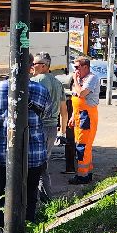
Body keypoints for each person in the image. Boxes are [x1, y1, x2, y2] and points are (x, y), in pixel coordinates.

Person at [0, 70, 50, 228]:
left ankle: (6, 230)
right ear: (30, 68)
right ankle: (28, 228)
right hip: (34, 155)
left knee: (3, 193)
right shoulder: (40, 90)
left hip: (5, 155)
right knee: (30, 192)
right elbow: (46, 115)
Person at [30, 53, 66, 192]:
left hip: (39, 127)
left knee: (35, 165)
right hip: (52, 128)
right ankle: (45, 197)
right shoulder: (58, 83)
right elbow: (64, 110)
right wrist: (62, 131)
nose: (32, 66)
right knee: (44, 163)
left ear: (44, 66)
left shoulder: (37, 81)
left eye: (35, 64)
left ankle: (43, 198)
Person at [68, 56, 102, 184]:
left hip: (87, 116)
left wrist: (76, 80)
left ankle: (82, 176)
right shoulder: (80, 78)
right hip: (79, 115)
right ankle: (87, 172)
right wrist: (72, 116)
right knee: (81, 144)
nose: (75, 70)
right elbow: (75, 99)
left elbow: (82, 94)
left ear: (85, 67)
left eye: (77, 67)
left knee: (83, 146)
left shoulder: (91, 78)